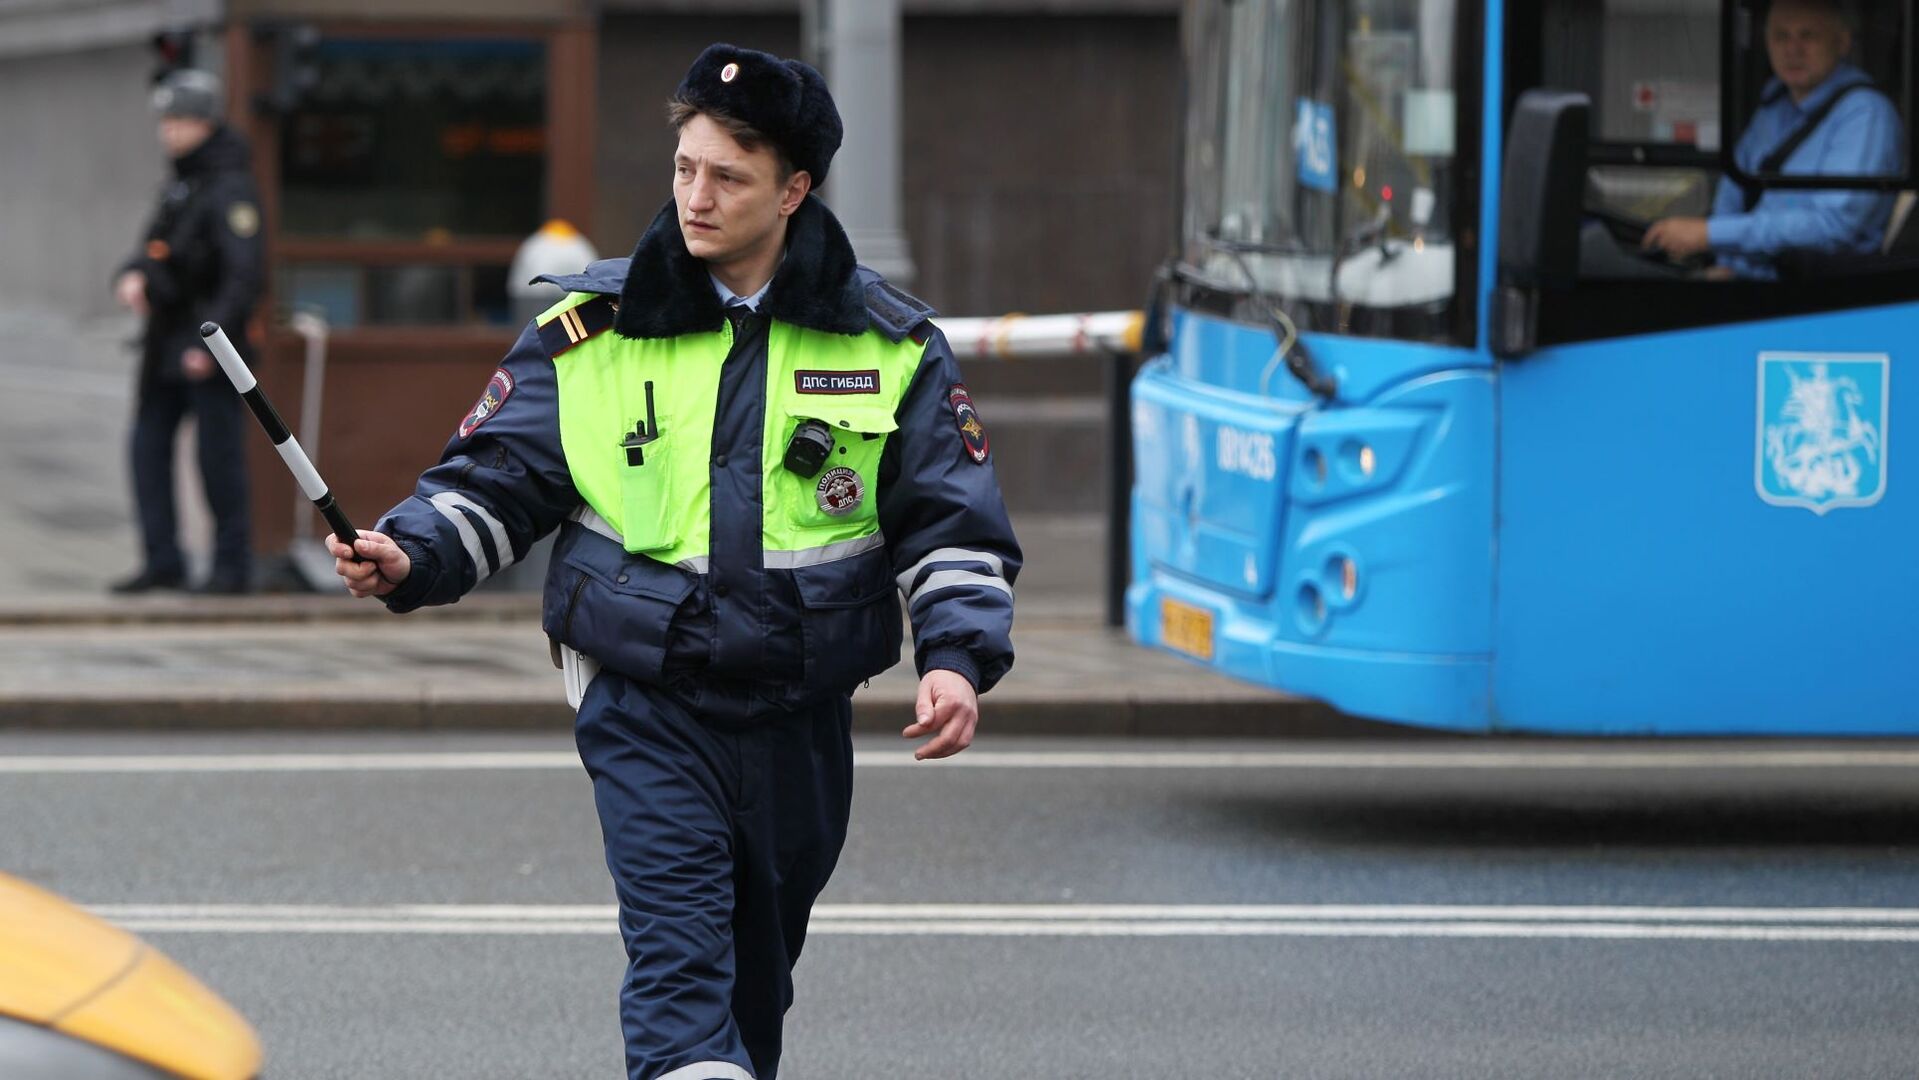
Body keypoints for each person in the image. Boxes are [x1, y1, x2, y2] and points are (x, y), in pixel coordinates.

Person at [327, 44, 1019, 1080]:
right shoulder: (590, 331)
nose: (696, 197)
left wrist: (955, 659)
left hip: (798, 714)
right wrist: (411, 552)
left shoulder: (889, 343)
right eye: (685, 167)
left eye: (728, 177)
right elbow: (496, 481)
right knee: (679, 975)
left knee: (753, 992)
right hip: (645, 700)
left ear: (793, 191)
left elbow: (950, 522)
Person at [110, 69, 263, 595]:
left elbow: (243, 275)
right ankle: (163, 561)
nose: (168, 130)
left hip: (210, 347)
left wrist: (209, 344)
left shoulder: (230, 186)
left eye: (179, 119)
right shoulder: (183, 183)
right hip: (164, 342)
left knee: (217, 460)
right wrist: (133, 274)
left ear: (205, 123)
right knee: (146, 448)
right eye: (166, 119)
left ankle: (230, 567)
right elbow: (155, 247)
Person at [1640, 0, 1903, 277]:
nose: (1792, 49)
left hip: (1822, 288)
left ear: (1842, 43)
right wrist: (1725, 262)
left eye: (1807, 35)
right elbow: (1734, 191)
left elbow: (1834, 227)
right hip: (1748, 276)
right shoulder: (1774, 104)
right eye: (1781, 36)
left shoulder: (1866, 114)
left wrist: (1711, 235)